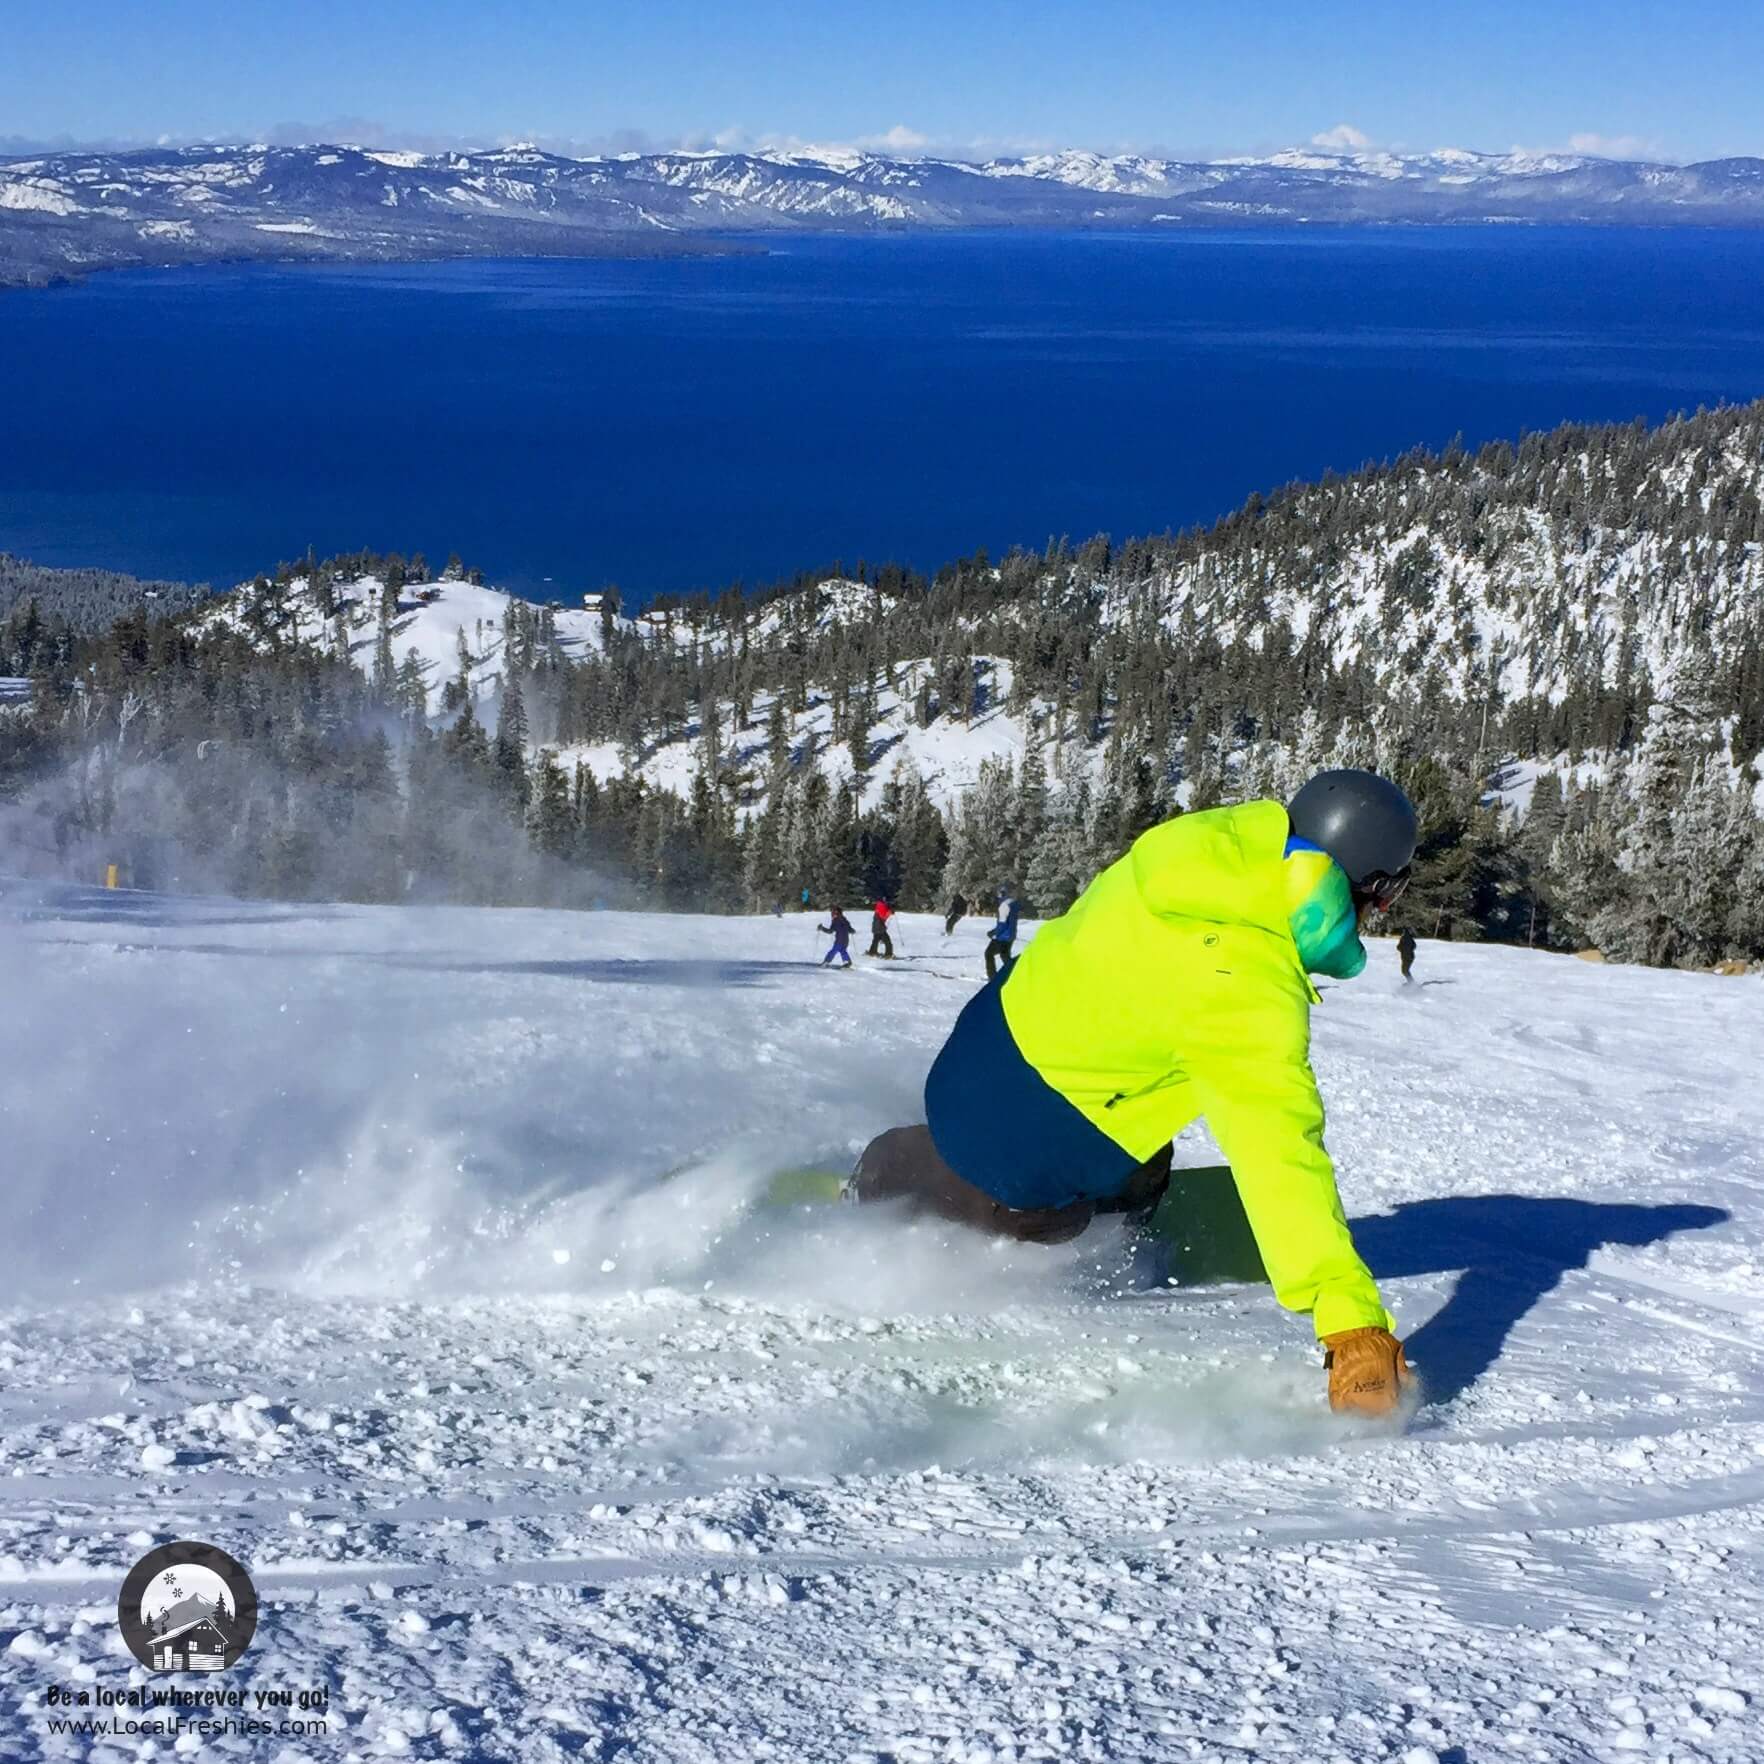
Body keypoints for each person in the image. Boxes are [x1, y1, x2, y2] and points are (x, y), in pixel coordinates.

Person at [849, 768, 1419, 1419]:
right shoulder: (1247, 982)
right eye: (1387, 895)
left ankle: (909, 1160)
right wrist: (1350, 1321)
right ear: (1364, 885)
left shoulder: (1184, 855)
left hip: (976, 1048)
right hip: (1021, 1147)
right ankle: (987, 1205)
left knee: (1132, 1124)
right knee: (1085, 1188)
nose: (1381, 916)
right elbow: (1278, 1151)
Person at [984, 891, 1020, 981]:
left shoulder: (1004, 906)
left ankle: (992, 977)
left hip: (1002, 937)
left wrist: (993, 933)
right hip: (1011, 935)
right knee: (1005, 955)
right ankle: (1014, 974)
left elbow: (1002, 924)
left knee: (988, 953)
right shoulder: (1013, 903)